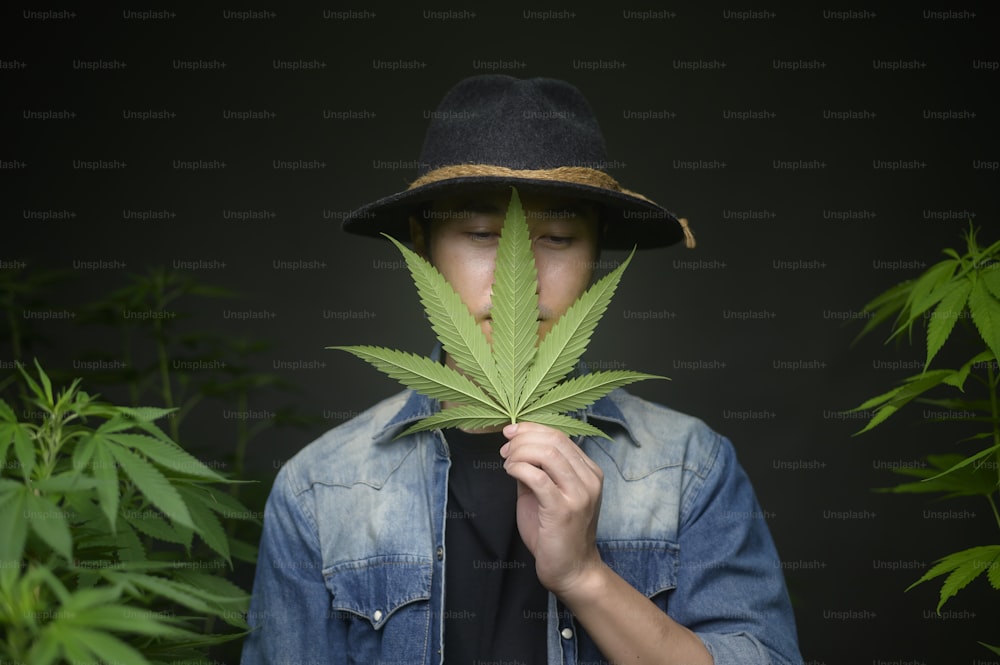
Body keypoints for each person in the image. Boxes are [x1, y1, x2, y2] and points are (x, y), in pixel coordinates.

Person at [240, 75, 802, 665]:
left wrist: (587, 577)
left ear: (597, 252)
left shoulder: (690, 465)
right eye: (483, 234)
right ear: (421, 242)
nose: (522, 280)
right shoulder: (319, 489)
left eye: (558, 237)